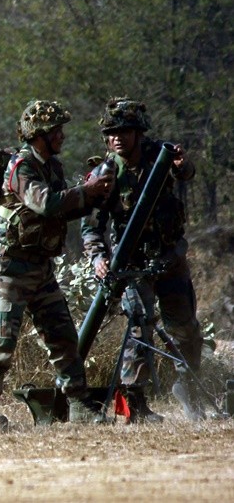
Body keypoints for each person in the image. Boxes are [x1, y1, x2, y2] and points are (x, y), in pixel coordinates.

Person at [0, 99, 112, 423]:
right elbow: (47, 204)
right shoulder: (21, 167)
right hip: (11, 270)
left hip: (41, 268)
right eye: (56, 130)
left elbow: (63, 209)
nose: (62, 136)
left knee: (63, 336)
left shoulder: (52, 167)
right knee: (2, 342)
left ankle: (78, 405)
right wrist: (86, 190)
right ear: (39, 135)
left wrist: (95, 195)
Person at [81, 97, 204, 421]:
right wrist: (98, 258)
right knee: (139, 328)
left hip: (169, 258)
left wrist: (182, 165)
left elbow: (186, 173)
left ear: (138, 132)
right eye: (111, 133)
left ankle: (191, 391)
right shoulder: (105, 173)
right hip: (132, 266)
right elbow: (91, 226)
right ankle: (136, 405)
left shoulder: (160, 156)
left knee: (185, 329)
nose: (117, 138)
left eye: (124, 131)